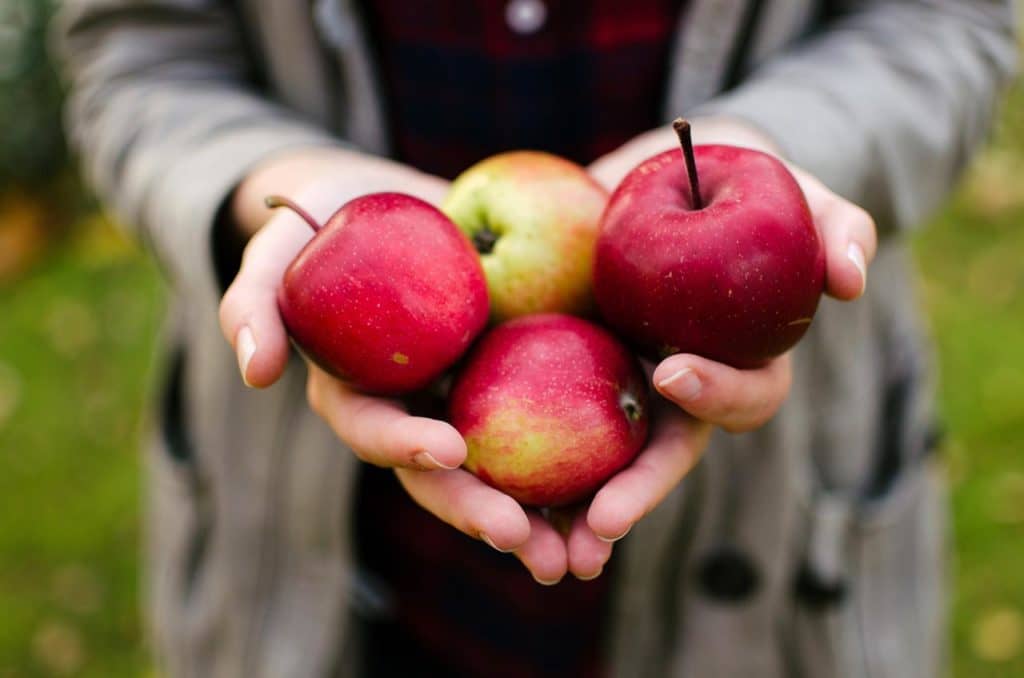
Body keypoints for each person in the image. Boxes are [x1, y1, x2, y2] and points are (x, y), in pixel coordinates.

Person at [55, 1, 1016, 676]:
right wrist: (262, 178)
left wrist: (768, 141)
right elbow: (137, 50)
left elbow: (945, 20)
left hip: (774, 530)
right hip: (327, 545)